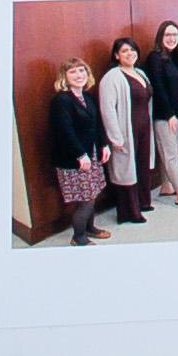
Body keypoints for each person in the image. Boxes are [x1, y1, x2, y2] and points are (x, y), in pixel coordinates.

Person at [41, 56, 109, 245]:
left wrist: (104, 145)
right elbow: (65, 132)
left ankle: (90, 228)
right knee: (86, 199)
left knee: (92, 194)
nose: (78, 75)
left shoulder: (87, 96)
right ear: (64, 76)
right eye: (73, 71)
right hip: (74, 159)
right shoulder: (61, 101)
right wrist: (81, 155)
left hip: (91, 154)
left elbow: (96, 125)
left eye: (81, 70)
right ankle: (78, 237)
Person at [93, 40, 153, 231]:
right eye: (124, 51)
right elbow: (107, 110)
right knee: (126, 170)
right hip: (125, 130)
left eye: (133, 50)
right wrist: (115, 138)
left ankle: (143, 202)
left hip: (143, 128)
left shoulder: (140, 73)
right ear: (116, 55)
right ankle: (129, 212)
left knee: (141, 165)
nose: (130, 53)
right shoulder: (111, 78)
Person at [144, 20, 178, 207]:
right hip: (164, 114)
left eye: (174, 35)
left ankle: (167, 186)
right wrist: (169, 114)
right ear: (160, 37)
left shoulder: (175, 57)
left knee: (169, 151)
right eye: (167, 35)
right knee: (170, 153)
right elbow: (158, 87)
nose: (172, 38)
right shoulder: (155, 58)